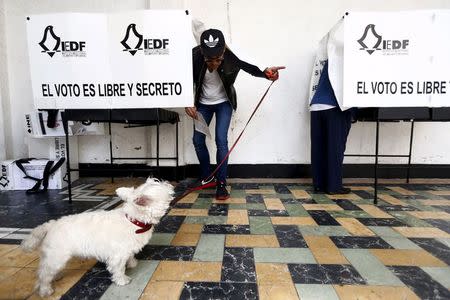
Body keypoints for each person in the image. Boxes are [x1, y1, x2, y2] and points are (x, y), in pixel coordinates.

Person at [185, 28, 284, 200]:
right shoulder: (194, 56)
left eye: (218, 60)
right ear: (202, 52)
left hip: (224, 103)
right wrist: (186, 101)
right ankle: (207, 176)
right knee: (197, 140)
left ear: (223, 51)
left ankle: (221, 183)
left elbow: (251, 69)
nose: (214, 64)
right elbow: (182, 77)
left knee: (221, 140)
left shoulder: (230, 58)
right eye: (209, 60)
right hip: (203, 104)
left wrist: (267, 74)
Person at [310, 60, 353, 194]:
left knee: (319, 147)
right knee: (335, 147)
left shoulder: (331, 58)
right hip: (335, 106)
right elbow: (353, 87)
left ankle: (319, 185)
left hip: (316, 105)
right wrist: (353, 112)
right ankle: (334, 186)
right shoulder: (353, 59)